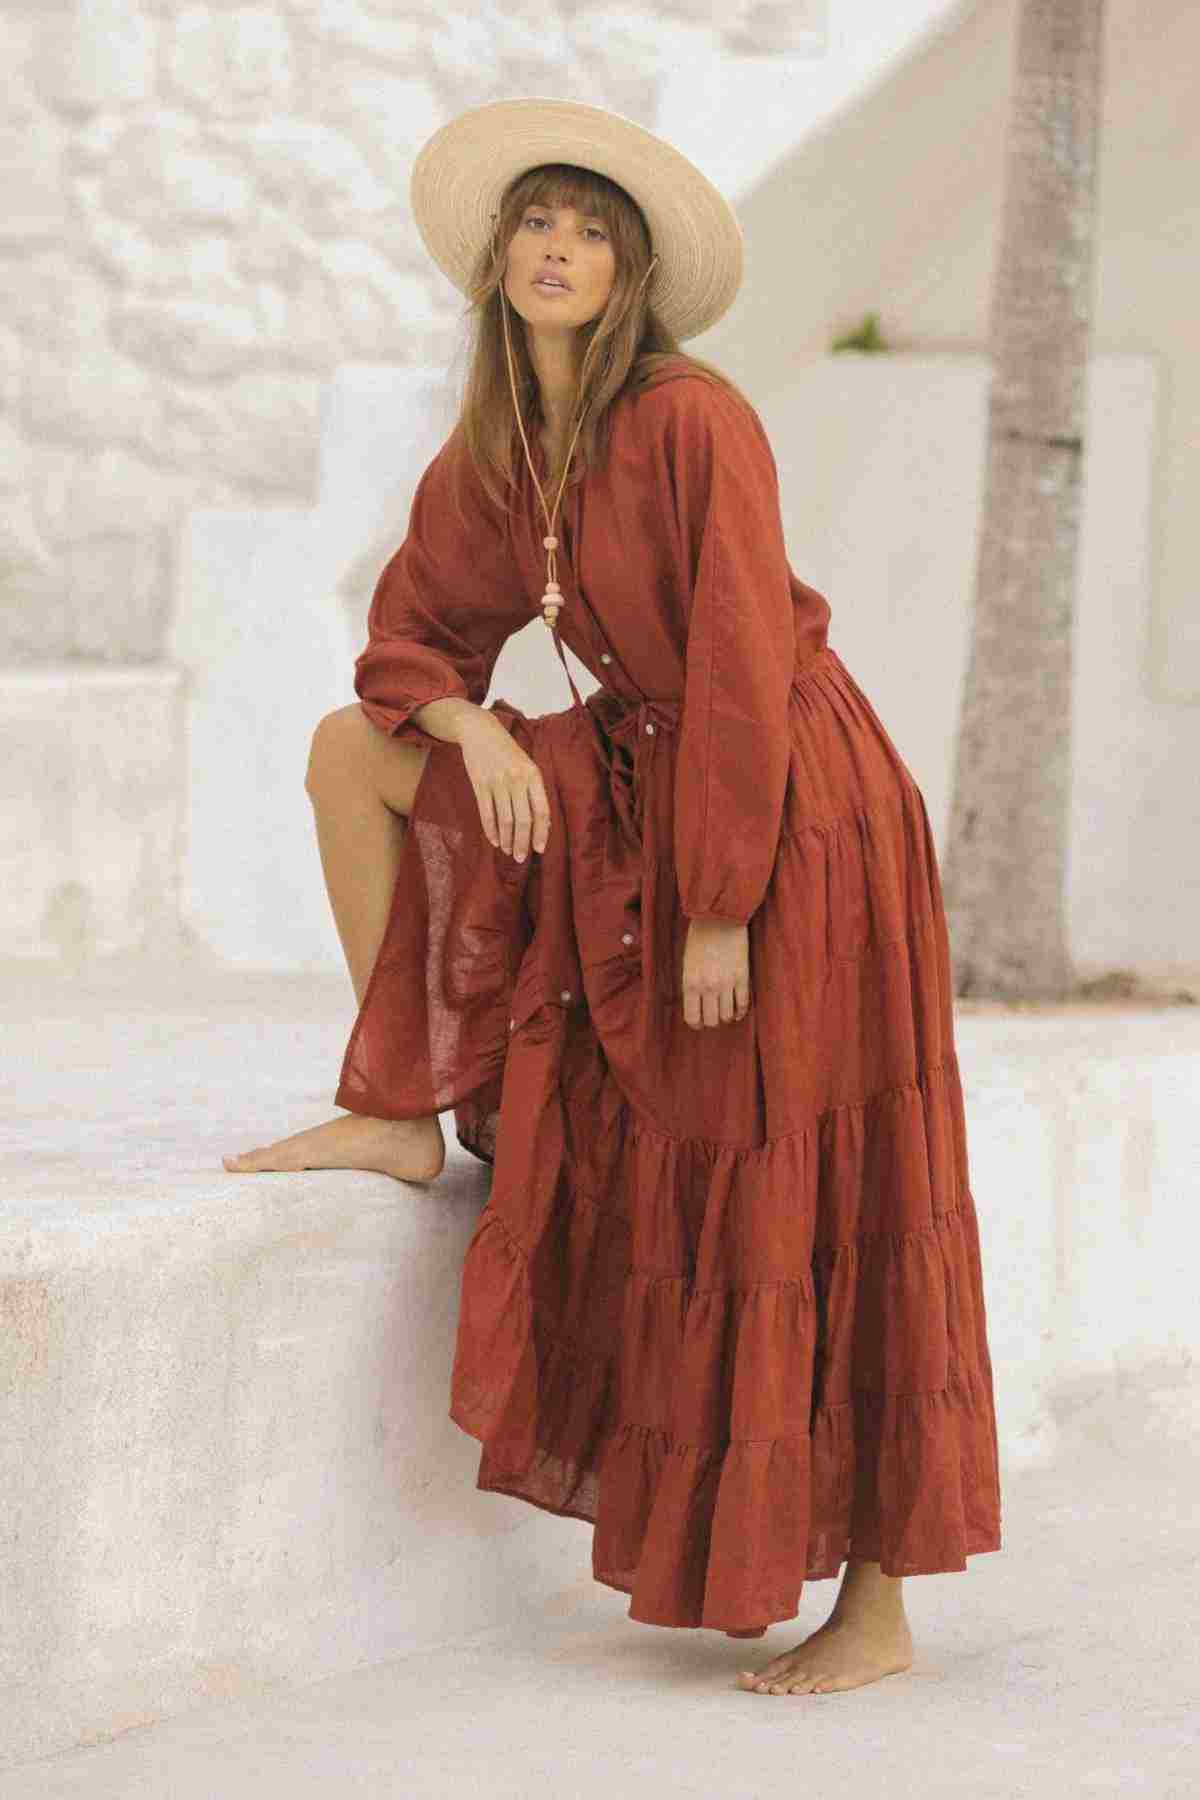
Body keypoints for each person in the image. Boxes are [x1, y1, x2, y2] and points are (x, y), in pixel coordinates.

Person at [224, 97, 1002, 1693]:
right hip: (640, 770)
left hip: (791, 801)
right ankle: (408, 1095)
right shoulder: (506, 442)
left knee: (811, 1168)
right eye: (537, 222)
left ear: (631, 270)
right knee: (345, 753)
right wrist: (461, 726)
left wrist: (721, 901)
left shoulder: (691, 418)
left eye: (590, 228)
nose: (557, 248)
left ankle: (876, 1602)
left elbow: (736, 668)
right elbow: (415, 633)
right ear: (500, 258)